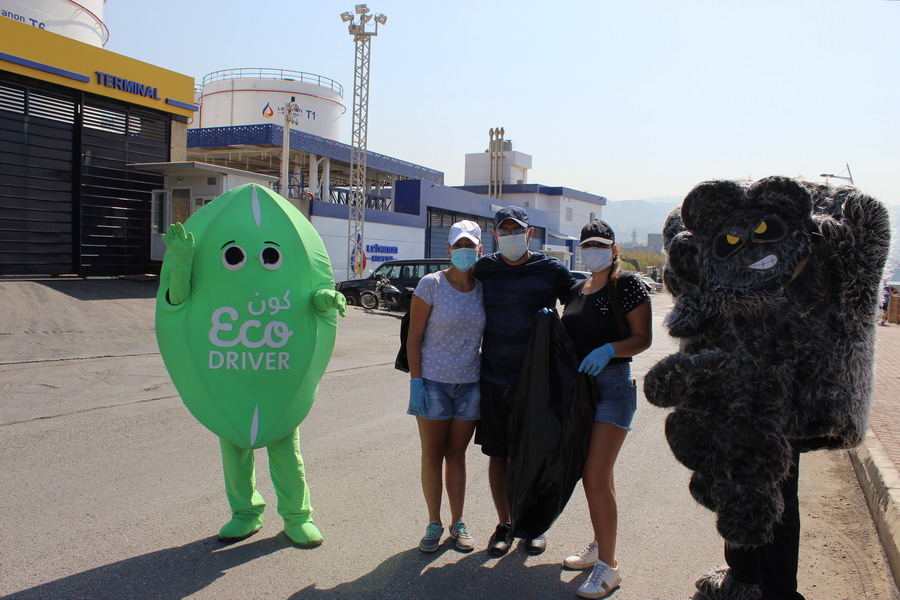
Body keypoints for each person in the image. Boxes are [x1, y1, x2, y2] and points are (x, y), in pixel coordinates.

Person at [473, 205, 577, 557]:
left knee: (537, 455)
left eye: (516, 230)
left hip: (537, 381)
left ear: (529, 234)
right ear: (495, 236)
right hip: (493, 378)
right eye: (504, 230)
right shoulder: (485, 268)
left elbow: (581, 305)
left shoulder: (551, 269)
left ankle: (534, 526)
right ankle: (505, 524)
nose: (510, 236)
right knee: (499, 456)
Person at [558, 220, 652, 598]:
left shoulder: (626, 284)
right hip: (582, 392)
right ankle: (601, 545)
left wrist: (610, 349)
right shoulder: (576, 289)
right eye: (587, 245)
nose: (592, 251)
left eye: (600, 245)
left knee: (594, 476)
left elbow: (642, 338)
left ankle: (608, 567)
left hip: (614, 389)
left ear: (613, 250)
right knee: (600, 474)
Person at [406, 220, 487, 553]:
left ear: (480, 249)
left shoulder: (484, 288)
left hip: (470, 385)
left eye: (470, 246)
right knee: (432, 455)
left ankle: (458, 522)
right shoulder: (431, 284)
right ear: (449, 249)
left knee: (457, 456)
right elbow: (413, 338)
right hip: (433, 383)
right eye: (459, 246)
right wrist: (416, 382)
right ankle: (433, 523)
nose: (464, 251)